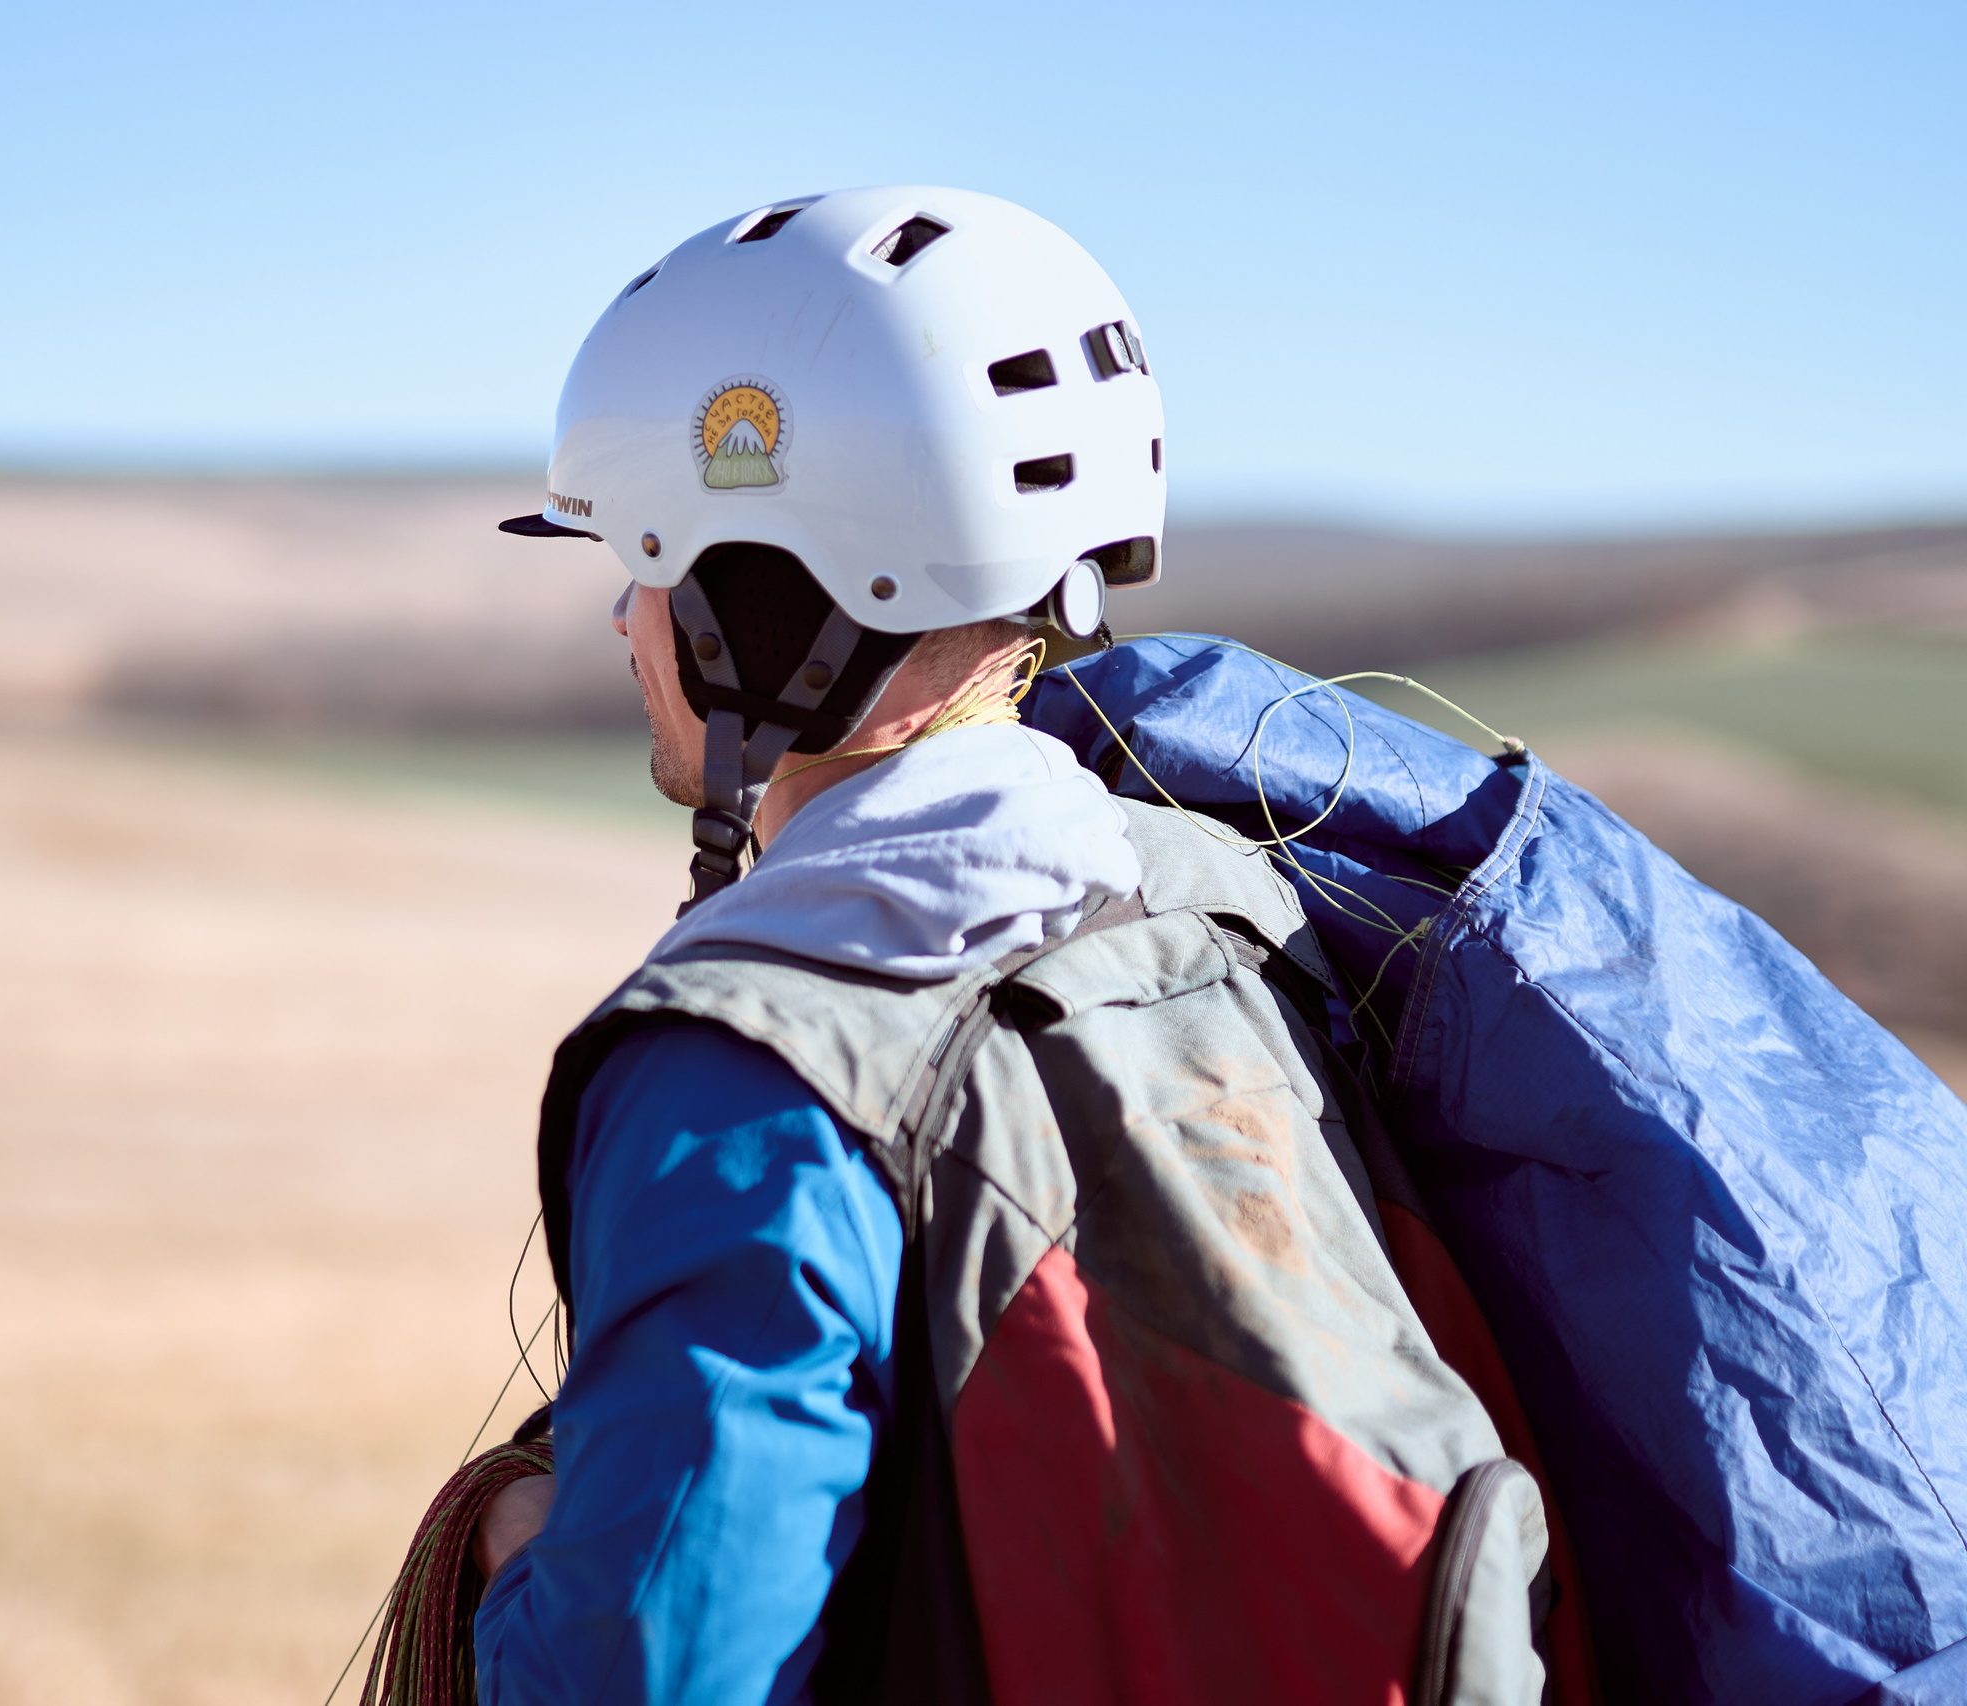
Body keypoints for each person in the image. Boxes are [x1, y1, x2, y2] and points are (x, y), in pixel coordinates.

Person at [470, 187, 1548, 1706]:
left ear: (756, 604)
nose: (623, 619)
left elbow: (657, 1670)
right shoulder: (1234, 908)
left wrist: (510, 1549)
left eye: (648, 561)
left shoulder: (757, 1067)